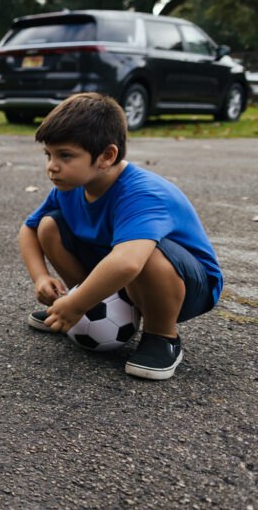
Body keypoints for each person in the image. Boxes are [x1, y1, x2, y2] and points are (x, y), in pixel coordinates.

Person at [18, 93, 222, 380]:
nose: (52, 165)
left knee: (143, 252)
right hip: (126, 274)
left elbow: (127, 264)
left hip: (186, 288)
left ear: (107, 156)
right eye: (48, 155)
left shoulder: (142, 193)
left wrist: (75, 305)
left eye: (65, 155)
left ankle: (162, 336)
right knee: (49, 226)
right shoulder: (71, 186)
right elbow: (29, 230)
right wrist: (40, 278)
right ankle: (84, 309)